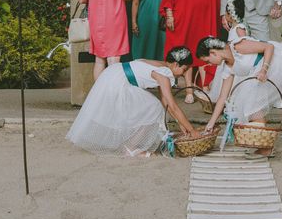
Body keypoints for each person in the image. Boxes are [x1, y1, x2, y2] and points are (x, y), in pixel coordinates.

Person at [196, 35, 282, 157]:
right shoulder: (227, 68)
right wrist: (210, 124)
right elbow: (223, 97)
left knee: (251, 104)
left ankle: (265, 147)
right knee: (249, 104)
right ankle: (264, 145)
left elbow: (269, 47)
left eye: (207, 61)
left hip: (273, 63)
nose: (209, 64)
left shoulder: (237, 46)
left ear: (213, 52)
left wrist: (264, 70)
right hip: (258, 74)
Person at [66, 47, 200, 156]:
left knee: (153, 106)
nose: (183, 73)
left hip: (113, 74)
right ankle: (132, 147)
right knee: (153, 108)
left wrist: (181, 123)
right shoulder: (164, 75)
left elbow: (166, 103)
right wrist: (192, 130)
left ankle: (131, 144)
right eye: (184, 69)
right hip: (117, 82)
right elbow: (173, 106)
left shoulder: (160, 65)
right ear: (176, 64)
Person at [160, 0, 220, 103]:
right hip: (185, 20)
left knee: (205, 51)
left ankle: (204, 87)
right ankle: (188, 90)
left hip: (205, 19)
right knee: (187, 52)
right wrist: (170, 16)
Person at [207, 0, 248, 103]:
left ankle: (231, 99)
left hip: (235, 61)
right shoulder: (232, 28)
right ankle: (224, 99)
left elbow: (244, 42)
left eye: (225, 12)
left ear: (231, 15)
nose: (224, 14)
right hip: (228, 60)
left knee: (234, 81)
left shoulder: (239, 28)